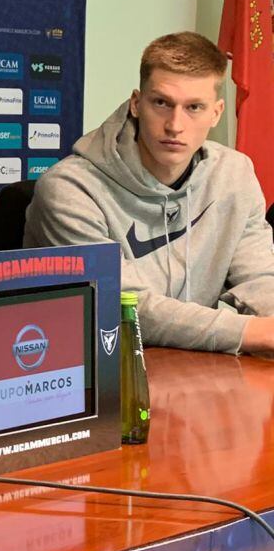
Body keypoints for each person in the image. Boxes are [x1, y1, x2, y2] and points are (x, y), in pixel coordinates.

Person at [25, 31, 274, 353]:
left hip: (194, 370)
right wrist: (252, 332)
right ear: (136, 103)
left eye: (194, 107)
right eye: (161, 103)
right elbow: (122, 305)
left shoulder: (234, 174)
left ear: (217, 112)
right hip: (88, 371)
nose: (175, 125)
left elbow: (259, 276)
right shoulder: (70, 189)